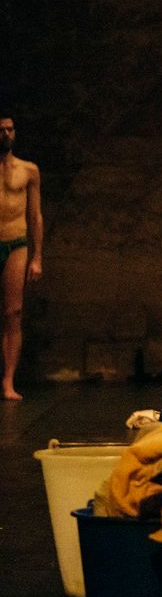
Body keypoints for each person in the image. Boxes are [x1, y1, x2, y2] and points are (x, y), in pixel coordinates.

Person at [1, 116, 41, 401]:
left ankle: (8, 380)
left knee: (13, 313)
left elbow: (35, 215)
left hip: (16, 243)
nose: (6, 134)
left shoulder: (28, 170)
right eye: (1, 129)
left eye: (10, 129)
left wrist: (37, 256)